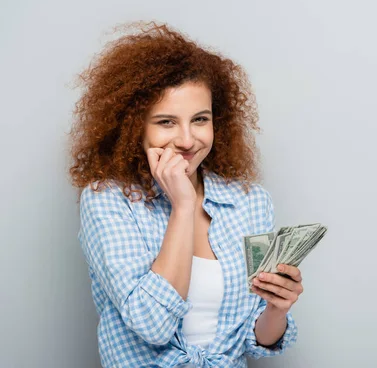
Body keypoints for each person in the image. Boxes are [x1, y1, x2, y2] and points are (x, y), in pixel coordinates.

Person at [67, 21, 303, 367]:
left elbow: (254, 340)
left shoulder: (249, 201)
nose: (188, 140)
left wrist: (276, 308)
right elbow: (152, 323)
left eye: (200, 119)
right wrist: (183, 206)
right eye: (166, 122)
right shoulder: (107, 200)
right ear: (134, 126)